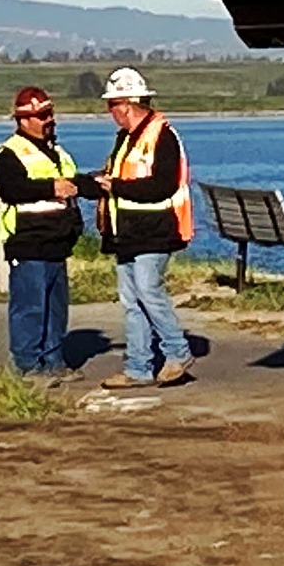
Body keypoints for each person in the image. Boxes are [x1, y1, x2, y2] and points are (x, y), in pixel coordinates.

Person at [73, 67, 194, 388]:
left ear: (125, 104)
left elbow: (162, 185)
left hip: (155, 230)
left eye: (111, 106)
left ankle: (177, 351)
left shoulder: (162, 135)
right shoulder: (126, 138)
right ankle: (139, 367)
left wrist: (116, 187)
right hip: (126, 233)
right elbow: (117, 177)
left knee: (147, 291)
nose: (109, 113)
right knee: (132, 300)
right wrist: (86, 184)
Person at [0, 86, 81, 382]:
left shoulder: (56, 151)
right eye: (42, 116)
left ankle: (54, 362)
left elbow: (72, 185)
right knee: (29, 307)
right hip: (28, 242)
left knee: (56, 308)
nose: (48, 120)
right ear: (23, 120)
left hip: (57, 242)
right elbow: (12, 190)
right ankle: (29, 365)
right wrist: (50, 188)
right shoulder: (10, 153)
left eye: (50, 114)